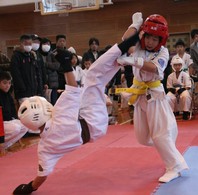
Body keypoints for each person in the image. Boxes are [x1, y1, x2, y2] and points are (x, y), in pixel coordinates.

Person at [12, 13, 144, 194]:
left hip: (93, 128)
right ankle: (131, 42)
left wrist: (28, 188)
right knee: (92, 76)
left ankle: (124, 50)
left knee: (96, 76)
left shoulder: (44, 147)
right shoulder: (58, 114)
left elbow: (43, 174)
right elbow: (72, 87)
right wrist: (66, 65)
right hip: (91, 119)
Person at [117, 12, 188, 183]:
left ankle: (175, 166)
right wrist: (134, 25)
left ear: (161, 40)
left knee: (159, 134)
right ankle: (168, 140)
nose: (150, 42)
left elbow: (154, 69)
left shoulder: (163, 53)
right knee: (143, 138)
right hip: (139, 95)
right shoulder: (139, 47)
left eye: (154, 39)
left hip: (155, 97)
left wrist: (133, 61)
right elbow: (125, 41)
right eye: (148, 37)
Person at [0, 71, 28, 151]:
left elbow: (13, 112)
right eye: (4, 83)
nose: (7, 86)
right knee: (16, 128)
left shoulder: (8, 95)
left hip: (8, 121)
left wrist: (15, 119)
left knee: (26, 126)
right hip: (1, 123)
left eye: (9, 83)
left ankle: (5, 145)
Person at [10, 34, 38, 105]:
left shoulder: (31, 55)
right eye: (26, 44)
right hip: (22, 92)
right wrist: (22, 88)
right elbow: (16, 74)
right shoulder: (16, 56)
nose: (28, 46)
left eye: (30, 44)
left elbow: (35, 72)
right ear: (21, 43)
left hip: (33, 91)